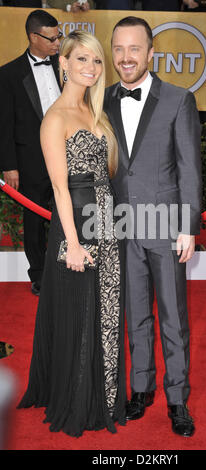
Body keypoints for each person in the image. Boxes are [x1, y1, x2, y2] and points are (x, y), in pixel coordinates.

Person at [17, 30, 126, 437]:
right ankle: (78, 399)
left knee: (106, 310)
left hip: (107, 222)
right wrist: (74, 245)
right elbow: (60, 188)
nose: (91, 68)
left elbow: (108, 178)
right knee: (80, 313)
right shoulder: (55, 118)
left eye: (96, 61)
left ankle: (105, 395)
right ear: (62, 63)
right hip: (75, 226)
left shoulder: (96, 113)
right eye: (82, 59)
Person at [104, 16, 202, 437]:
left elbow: (189, 169)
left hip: (165, 226)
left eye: (135, 49)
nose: (127, 57)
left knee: (173, 318)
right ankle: (140, 387)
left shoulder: (179, 100)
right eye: (120, 49)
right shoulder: (102, 99)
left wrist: (188, 226)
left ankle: (177, 398)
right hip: (122, 226)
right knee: (135, 314)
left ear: (151, 53)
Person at [0, 10, 61, 296]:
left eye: (59, 36)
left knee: (67, 214)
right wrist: (9, 166)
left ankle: (66, 268)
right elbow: (5, 124)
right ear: (33, 37)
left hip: (66, 155)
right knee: (34, 220)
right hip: (30, 160)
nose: (57, 43)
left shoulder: (66, 66)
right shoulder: (9, 74)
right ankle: (38, 275)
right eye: (51, 38)